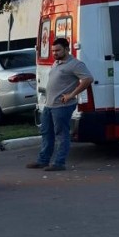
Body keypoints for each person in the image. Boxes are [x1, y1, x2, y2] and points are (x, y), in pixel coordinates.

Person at [27, 37, 94, 171]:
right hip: (49, 105)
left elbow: (88, 79)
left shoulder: (75, 64)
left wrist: (71, 95)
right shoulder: (56, 63)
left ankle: (59, 163)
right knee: (46, 133)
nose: (55, 53)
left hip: (62, 106)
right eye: (53, 51)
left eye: (58, 50)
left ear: (67, 49)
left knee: (61, 134)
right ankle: (43, 160)